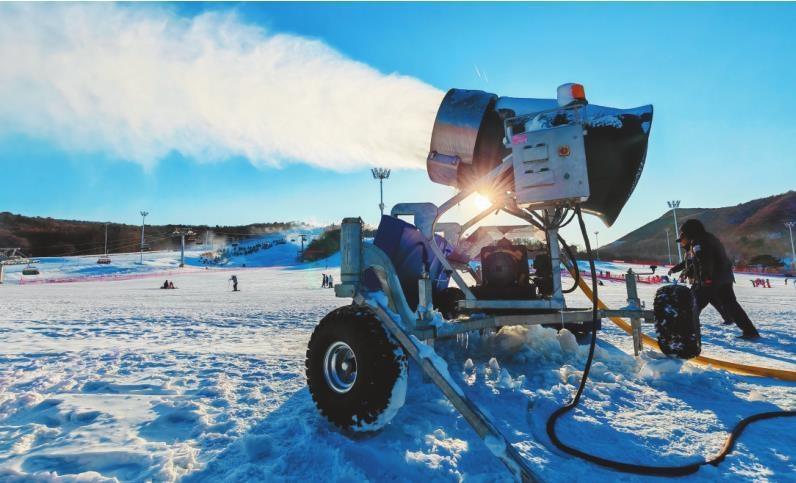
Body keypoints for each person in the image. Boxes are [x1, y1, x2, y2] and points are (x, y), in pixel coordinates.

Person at [678, 219, 760, 339]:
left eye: (684, 232)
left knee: (693, 303)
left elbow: (704, 261)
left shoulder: (698, 242)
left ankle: (685, 334)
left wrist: (706, 278)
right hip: (724, 277)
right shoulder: (709, 237)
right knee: (731, 305)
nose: (683, 234)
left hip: (712, 279)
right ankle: (750, 331)